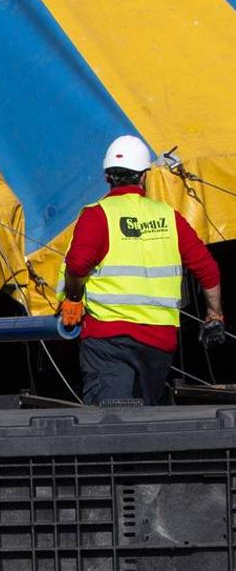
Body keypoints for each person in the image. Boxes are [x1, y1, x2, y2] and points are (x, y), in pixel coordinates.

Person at [59, 135, 224, 405]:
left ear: (107, 177)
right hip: (158, 342)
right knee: (145, 416)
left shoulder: (97, 215)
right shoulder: (168, 217)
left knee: (110, 417)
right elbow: (207, 269)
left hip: (108, 339)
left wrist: (73, 299)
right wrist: (214, 314)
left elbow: (77, 265)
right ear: (144, 176)